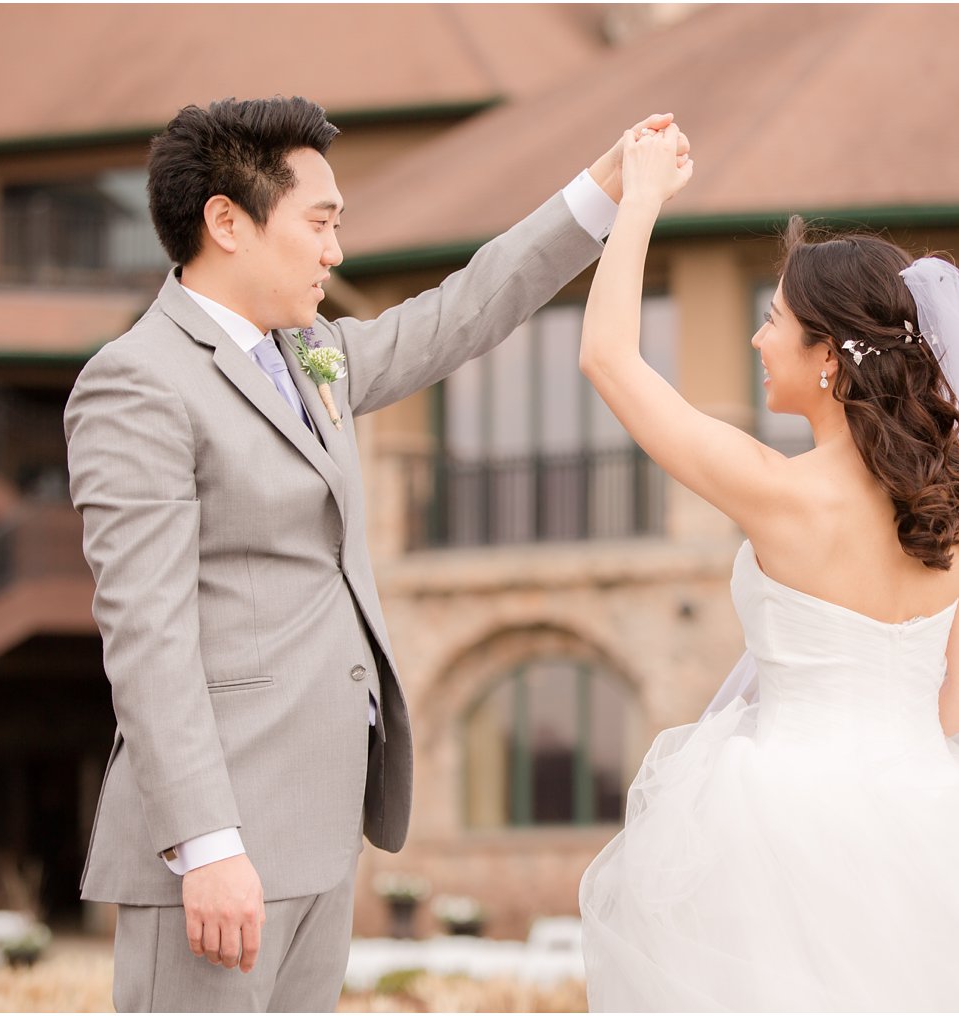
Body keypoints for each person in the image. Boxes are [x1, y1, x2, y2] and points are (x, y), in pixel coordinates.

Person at [64, 96, 686, 1012]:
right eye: (319, 223)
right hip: (219, 845)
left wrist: (603, 190)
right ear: (227, 222)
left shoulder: (313, 353)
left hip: (320, 831)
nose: (335, 252)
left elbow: (465, 310)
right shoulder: (137, 382)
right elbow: (146, 634)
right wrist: (206, 845)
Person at [576, 125, 959, 1012]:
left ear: (828, 357)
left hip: (778, 825)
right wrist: (893, 751)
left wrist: (637, 198)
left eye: (771, 322)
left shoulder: (777, 493)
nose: (759, 341)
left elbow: (607, 358)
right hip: (941, 824)